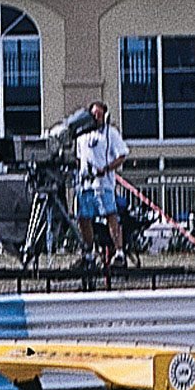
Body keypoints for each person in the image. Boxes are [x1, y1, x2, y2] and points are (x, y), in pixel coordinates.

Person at [75, 100, 129, 268]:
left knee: (111, 216)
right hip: (85, 185)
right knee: (84, 219)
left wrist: (106, 168)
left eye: (99, 114)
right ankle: (89, 253)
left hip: (103, 183)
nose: (96, 118)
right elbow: (79, 158)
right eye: (94, 114)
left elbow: (122, 155)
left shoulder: (110, 133)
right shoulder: (82, 135)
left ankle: (119, 252)